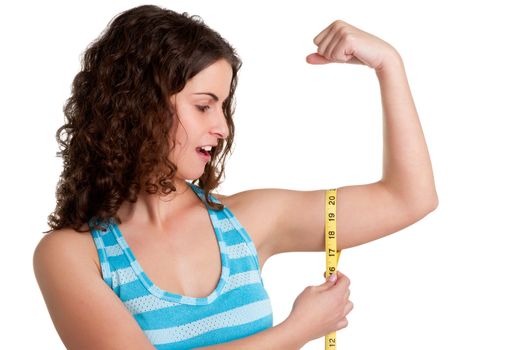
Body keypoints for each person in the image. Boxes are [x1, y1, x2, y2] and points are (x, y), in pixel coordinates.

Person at [33, 4, 438, 350]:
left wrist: (389, 64)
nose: (223, 128)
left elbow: (410, 198)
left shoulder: (246, 222)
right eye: (204, 106)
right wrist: (295, 332)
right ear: (140, 107)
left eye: (223, 107)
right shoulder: (72, 256)